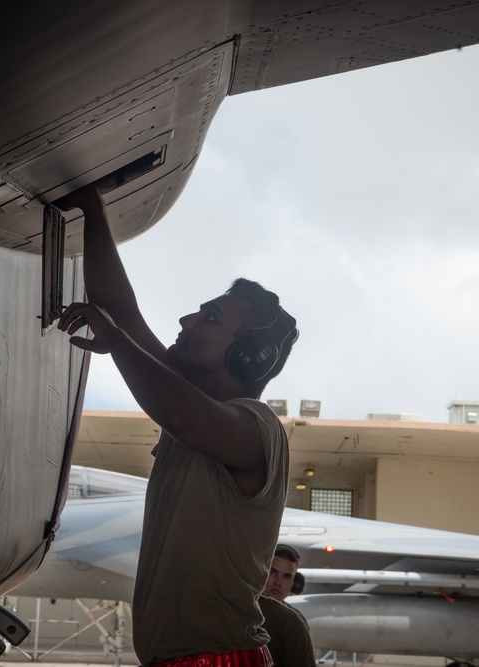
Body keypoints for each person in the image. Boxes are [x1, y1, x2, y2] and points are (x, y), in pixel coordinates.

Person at [57, 185, 298, 667]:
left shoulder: (258, 428)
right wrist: (92, 208)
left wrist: (118, 342)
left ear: (251, 355)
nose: (187, 319)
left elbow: (181, 415)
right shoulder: (196, 408)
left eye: (209, 317)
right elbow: (121, 312)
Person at [260, 546, 316, 666]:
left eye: (286, 576)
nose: (278, 582)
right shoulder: (243, 613)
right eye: (272, 572)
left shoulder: (294, 621)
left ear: (295, 583)